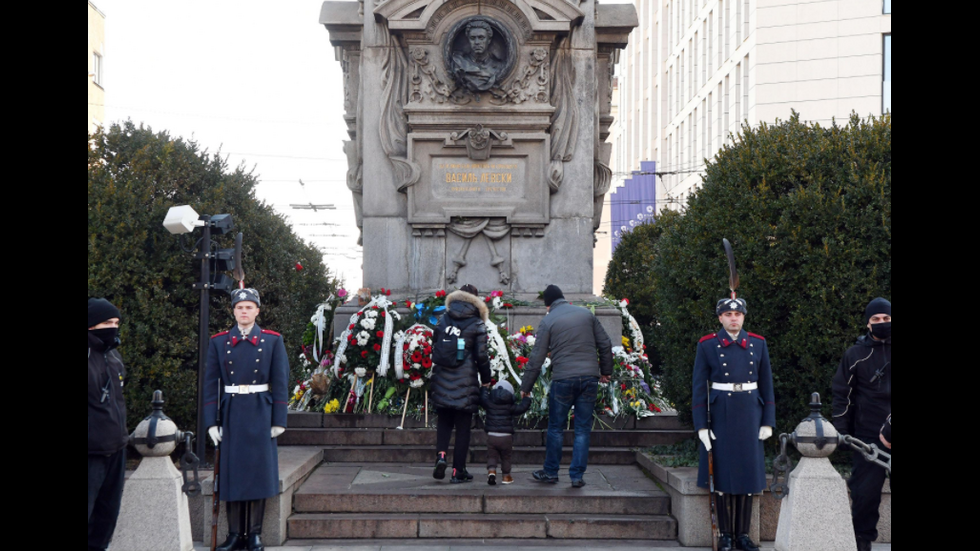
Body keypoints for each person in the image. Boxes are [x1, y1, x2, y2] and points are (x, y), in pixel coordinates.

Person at [204, 288, 289, 551]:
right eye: (239, 307)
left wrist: (279, 420)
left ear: (257, 311)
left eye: (249, 307)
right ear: (233, 311)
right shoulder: (219, 342)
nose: (244, 311)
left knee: (257, 474)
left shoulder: (272, 340)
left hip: (260, 412)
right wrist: (211, 422)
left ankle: (254, 534)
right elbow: (210, 385)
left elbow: (280, 382)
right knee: (231, 475)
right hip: (231, 413)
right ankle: (233, 535)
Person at [692, 296, 775, 551]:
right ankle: (726, 534)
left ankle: (743, 534)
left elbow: (767, 384)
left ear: (744, 317)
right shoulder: (708, 345)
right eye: (728, 314)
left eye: (737, 314)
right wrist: (702, 426)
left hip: (750, 411)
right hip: (721, 413)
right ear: (720, 318)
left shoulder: (758, 344)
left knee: (748, 477)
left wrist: (768, 421)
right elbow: (698, 388)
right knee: (723, 476)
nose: (733, 318)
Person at [520, 284, 613, 488]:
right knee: (582, 429)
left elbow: (536, 358)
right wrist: (606, 371)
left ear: (548, 304)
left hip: (563, 379)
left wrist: (526, 386)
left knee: (556, 427)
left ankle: (551, 472)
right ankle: (577, 476)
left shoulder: (548, 320)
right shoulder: (586, 314)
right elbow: (605, 343)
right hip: (589, 378)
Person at [831, 297, 891, 551]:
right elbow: (841, 393)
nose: (881, 323)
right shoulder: (855, 355)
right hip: (868, 436)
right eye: (876, 320)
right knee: (865, 495)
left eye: (886, 319)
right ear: (868, 324)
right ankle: (861, 542)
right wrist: (842, 431)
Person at [429, 283, 492, 483]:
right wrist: (487, 380)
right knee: (463, 428)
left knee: (444, 422)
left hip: (441, 378)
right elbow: (481, 356)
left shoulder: (443, 319)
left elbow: (435, 344)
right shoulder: (477, 323)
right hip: (465, 381)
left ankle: (441, 456)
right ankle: (458, 472)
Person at [88, 298, 128, 551]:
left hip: (116, 449)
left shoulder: (113, 355)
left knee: (106, 519)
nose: (112, 327)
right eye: (106, 322)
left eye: (115, 322)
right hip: (91, 452)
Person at [479, 379, 531, 485]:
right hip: (506, 437)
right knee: (506, 456)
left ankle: (492, 471)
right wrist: (526, 398)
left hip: (492, 435)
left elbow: (482, 399)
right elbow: (522, 408)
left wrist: (484, 388)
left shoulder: (489, 403)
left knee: (492, 455)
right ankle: (506, 476)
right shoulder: (510, 406)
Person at [451, 20, 506, 92]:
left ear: (489, 40)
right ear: (468, 40)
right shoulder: (459, 63)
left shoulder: (499, 66)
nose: (477, 42)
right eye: (473, 38)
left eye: (481, 38)